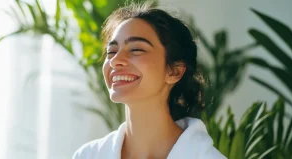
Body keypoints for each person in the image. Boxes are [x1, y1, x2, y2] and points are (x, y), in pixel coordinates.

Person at [73, 2, 226, 159]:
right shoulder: (88, 155)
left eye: (136, 49)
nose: (115, 60)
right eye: (111, 51)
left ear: (175, 71)